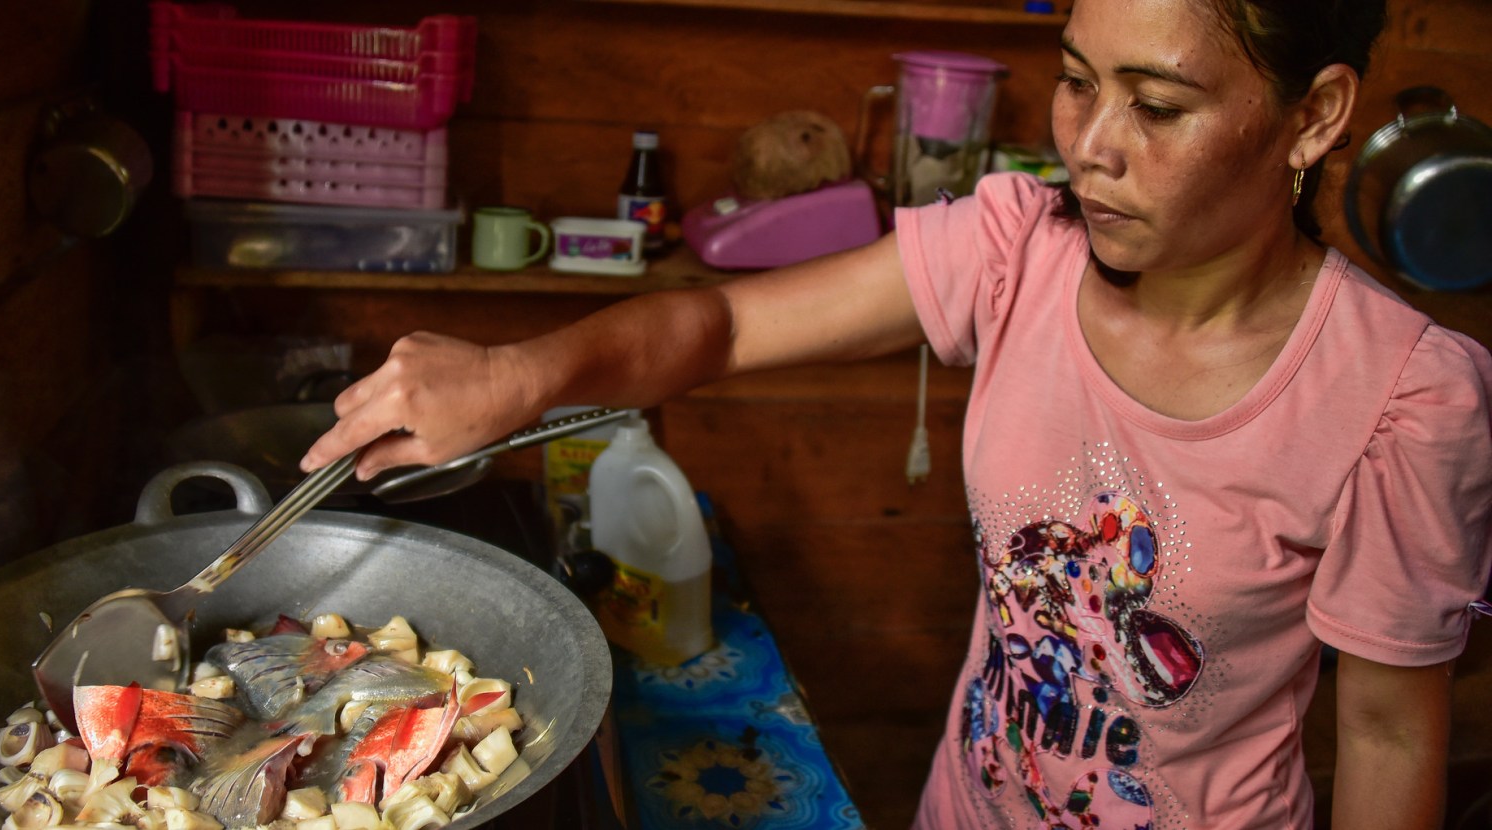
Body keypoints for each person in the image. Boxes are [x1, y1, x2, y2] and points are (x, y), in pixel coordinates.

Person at [300, 0, 1492, 826]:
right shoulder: (1015, 247)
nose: (1092, 148)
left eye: (1160, 105)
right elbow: (721, 326)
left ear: (1316, 114)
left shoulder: (1401, 399)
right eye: (1077, 83)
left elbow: (1387, 739)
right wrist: (518, 372)